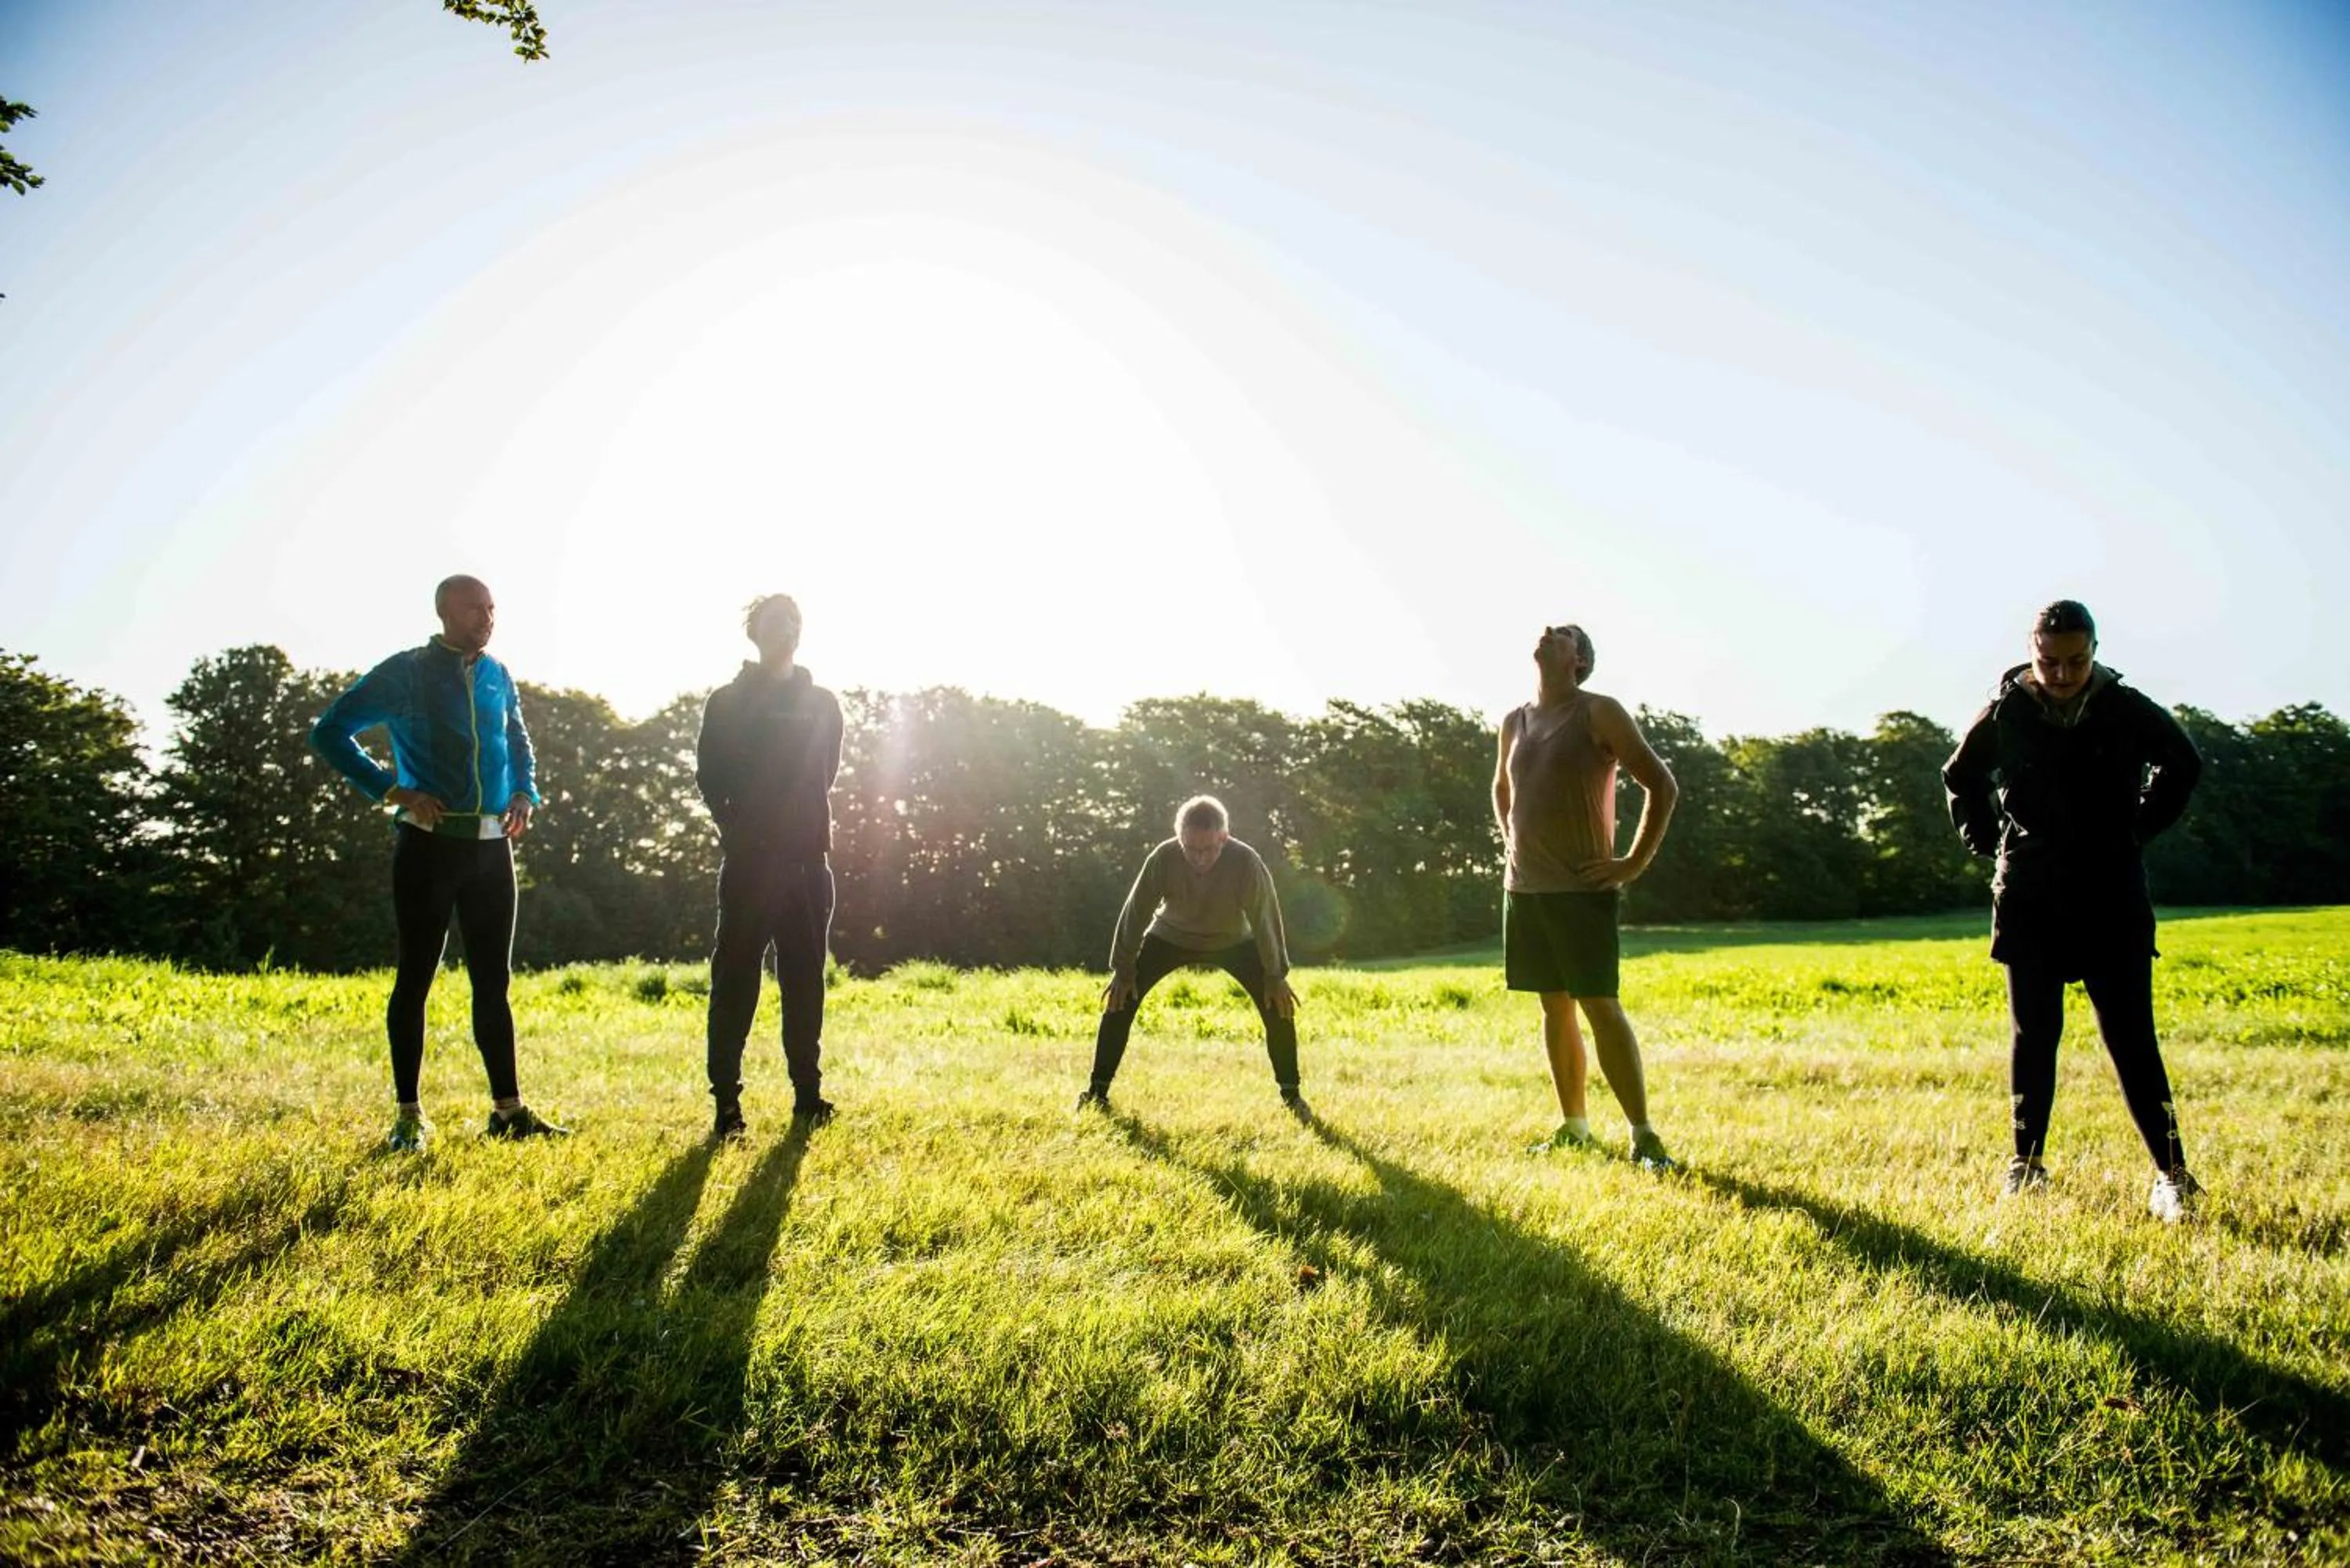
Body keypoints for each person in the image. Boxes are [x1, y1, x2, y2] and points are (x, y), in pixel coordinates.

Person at [1943, 599, 2205, 1221]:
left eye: (2076, 662)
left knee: (2131, 1036)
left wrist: (2139, 827)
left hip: (2111, 890)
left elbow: (2183, 763)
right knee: (2035, 1033)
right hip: (2030, 892)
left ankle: (2173, 1177)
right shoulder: (2006, 711)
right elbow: (1960, 776)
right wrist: (1988, 841)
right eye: (2050, 662)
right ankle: (2026, 1165)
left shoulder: (2125, 707)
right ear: (2033, 654)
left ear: (2094, 651)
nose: (2062, 674)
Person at [311, 574, 568, 1151]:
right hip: (428, 848)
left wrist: (526, 793)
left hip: (490, 848)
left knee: (493, 983)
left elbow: (519, 744)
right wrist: (390, 789)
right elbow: (330, 732)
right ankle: (408, 1116)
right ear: (445, 611)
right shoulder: (405, 672)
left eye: (492, 608)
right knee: (416, 978)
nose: (487, 617)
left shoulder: (499, 675)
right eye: (475, 608)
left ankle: (508, 1112)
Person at [1494, 623, 1681, 1169]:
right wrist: (1513, 848)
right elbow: (1502, 790)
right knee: (1554, 1005)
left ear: (1579, 660)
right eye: (1548, 629)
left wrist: (1633, 861)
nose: (1550, 632)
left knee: (1599, 1005)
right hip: (1526, 889)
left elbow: (1662, 785)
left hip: (1582, 888)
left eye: (1566, 634)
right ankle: (1574, 1126)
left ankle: (1643, 1136)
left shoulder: (1599, 711)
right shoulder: (1514, 721)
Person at [695, 593, 845, 1140]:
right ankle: (727, 1106)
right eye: (774, 621)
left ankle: (808, 1097)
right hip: (750, 866)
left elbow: (825, 771)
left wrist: (799, 826)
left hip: (809, 863)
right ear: (753, 632)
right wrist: (741, 830)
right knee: (735, 982)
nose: (786, 629)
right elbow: (710, 777)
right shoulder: (727, 702)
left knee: (805, 982)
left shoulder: (824, 703)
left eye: (794, 621)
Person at [1080, 795, 1304, 1115]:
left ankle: (1292, 1096)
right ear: (1179, 838)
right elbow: (1137, 910)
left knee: (1278, 1006)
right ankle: (1097, 1093)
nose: (1200, 858)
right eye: (1191, 849)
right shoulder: (1164, 857)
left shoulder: (1246, 862)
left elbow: (1265, 918)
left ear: (1223, 838)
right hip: (1171, 935)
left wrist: (1275, 974)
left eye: (1209, 849)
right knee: (1120, 999)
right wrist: (1123, 967)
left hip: (1233, 940)